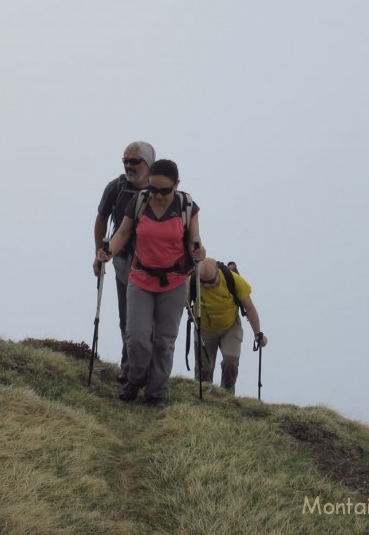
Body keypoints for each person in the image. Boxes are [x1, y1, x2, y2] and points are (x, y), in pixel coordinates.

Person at [98, 159, 205, 407]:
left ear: (176, 186)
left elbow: (194, 241)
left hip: (174, 281)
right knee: (136, 337)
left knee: (164, 340)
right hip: (141, 277)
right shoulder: (140, 201)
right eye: (153, 189)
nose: (157, 195)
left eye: (164, 190)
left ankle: (156, 392)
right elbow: (123, 233)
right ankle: (136, 379)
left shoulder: (187, 206)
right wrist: (108, 252)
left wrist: (198, 252)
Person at [93, 141, 156, 383]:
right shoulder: (116, 187)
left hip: (154, 263)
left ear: (148, 164)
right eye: (125, 161)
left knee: (151, 320)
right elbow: (101, 218)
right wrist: (99, 252)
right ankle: (130, 367)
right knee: (127, 316)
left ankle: (148, 370)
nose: (128, 166)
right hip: (123, 261)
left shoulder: (159, 189)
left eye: (134, 161)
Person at [192, 258, 267, 394]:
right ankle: (203, 397)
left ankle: (226, 395)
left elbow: (249, 308)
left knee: (231, 363)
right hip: (204, 329)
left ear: (218, 273)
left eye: (211, 282)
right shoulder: (192, 282)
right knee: (204, 369)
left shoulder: (233, 280)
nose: (207, 286)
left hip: (230, 328)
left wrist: (258, 334)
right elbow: (177, 305)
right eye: (203, 282)